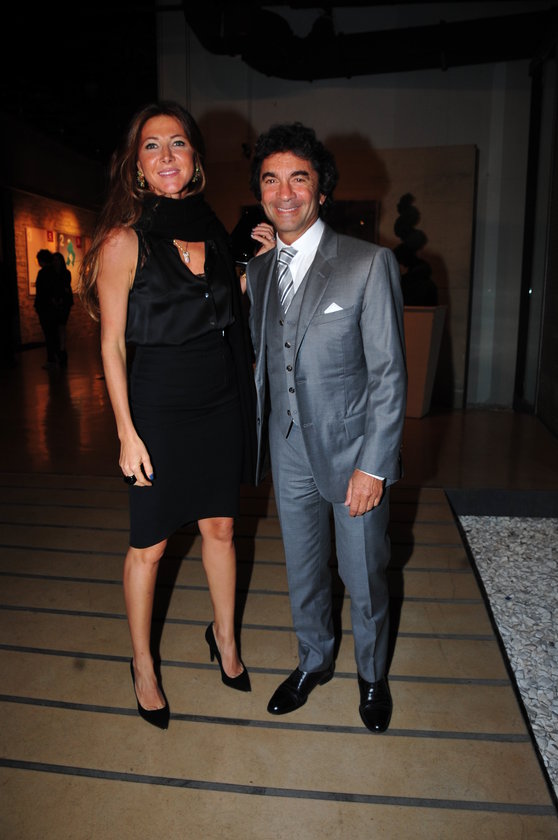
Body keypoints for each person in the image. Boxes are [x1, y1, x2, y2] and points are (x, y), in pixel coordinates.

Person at [78, 101, 271, 729]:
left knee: (221, 529)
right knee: (151, 545)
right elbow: (112, 344)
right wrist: (126, 433)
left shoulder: (212, 230)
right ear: (136, 165)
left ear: (195, 158)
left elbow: (219, 307)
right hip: (158, 405)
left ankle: (226, 639)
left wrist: (256, 268)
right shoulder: (123, 239)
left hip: (219, 400)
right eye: (152, 145)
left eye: (178, 143)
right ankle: (142, 664)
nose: (167, 155)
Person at [245, 123, 407, 733]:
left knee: (363, 574)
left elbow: (389, 375)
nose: (284, 192)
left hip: (352, 450)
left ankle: (373, 675)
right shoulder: (261, 271)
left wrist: (374, 467)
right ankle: (313, 661)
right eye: (271, 179)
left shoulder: (368, 263)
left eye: (299, 178)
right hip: (286, 448)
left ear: (321, 189)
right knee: (303, 569)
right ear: (261, 192)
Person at [34, 249, 62, 369]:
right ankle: (57, 357)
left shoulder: (43, 273)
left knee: (49, 334)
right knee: (54, 333)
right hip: (53, 308)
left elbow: (43, 292)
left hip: (45, 308)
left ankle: (52, 359)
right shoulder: (54, 272)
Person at [51, 251, 74, 366]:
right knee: (57, 327)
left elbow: (65, 287)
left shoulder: (65, 273)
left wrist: (60, 299)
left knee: (61, 325)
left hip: (64, 303)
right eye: (54, 260)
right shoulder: (51, 274)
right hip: (56, 303)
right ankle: (59, 349)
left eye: (57, 260)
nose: (56, 262)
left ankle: (62, 348)